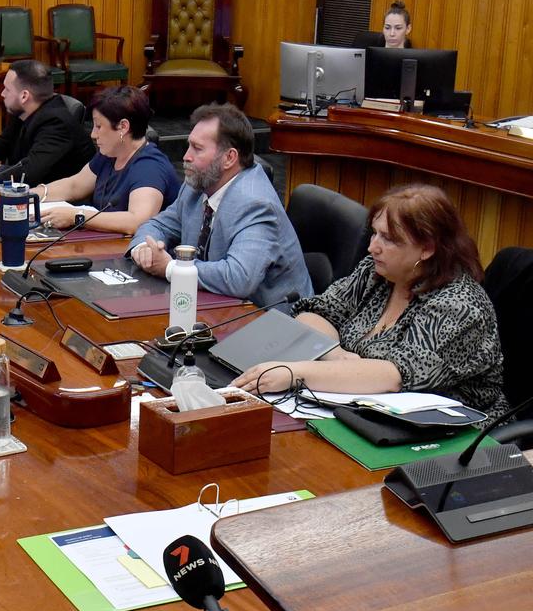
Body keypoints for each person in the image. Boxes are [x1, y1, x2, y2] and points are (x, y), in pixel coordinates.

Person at [231, 184, 509, 416]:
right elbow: (317, 314)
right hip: (361, 412)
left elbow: (395, 377)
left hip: (448, 435)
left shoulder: (459, 305)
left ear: (427, 249)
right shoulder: (376, 272)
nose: (372, 246)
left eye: (388, 239)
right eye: (374, 232)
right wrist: (335, 354)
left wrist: (294, 372)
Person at [129, 103, 311, 307]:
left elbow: (239, 278)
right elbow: (159, 225)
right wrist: (144, 248)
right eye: (189, 145)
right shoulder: (196, 186)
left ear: (229, 158)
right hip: (213, 306)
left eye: (197, 149)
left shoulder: (256, 204)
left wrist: (171, 268)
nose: (185, 157)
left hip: (269, 323)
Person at [35, 86, 179, 233]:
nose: (93, 134)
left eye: (98, 126)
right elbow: (75, 185)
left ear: (123, 127)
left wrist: (77, 217)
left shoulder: (149, 167)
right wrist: (30, 195)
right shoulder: (110, 153)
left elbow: (137, 221)